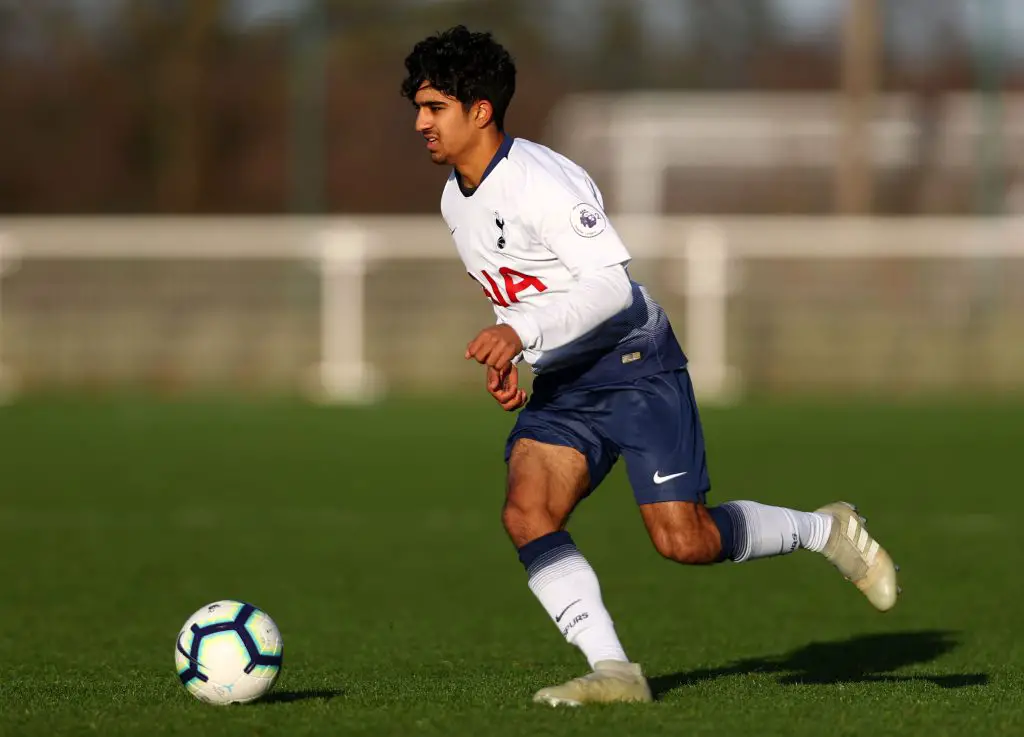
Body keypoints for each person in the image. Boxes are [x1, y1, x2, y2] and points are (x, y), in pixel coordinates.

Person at [401, 25, 899, 707]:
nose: (420, 122)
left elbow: (609, 287)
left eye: (434, 107)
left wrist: (521, 329)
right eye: (419, 107)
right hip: (567, 382)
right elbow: (522, 288)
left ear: (479, 109)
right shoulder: (454, 200)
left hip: (634, 365)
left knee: (684, 540)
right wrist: (514, 343)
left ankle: (826, 530)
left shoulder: (542, 181)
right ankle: (614, 669)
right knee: (527, 512)